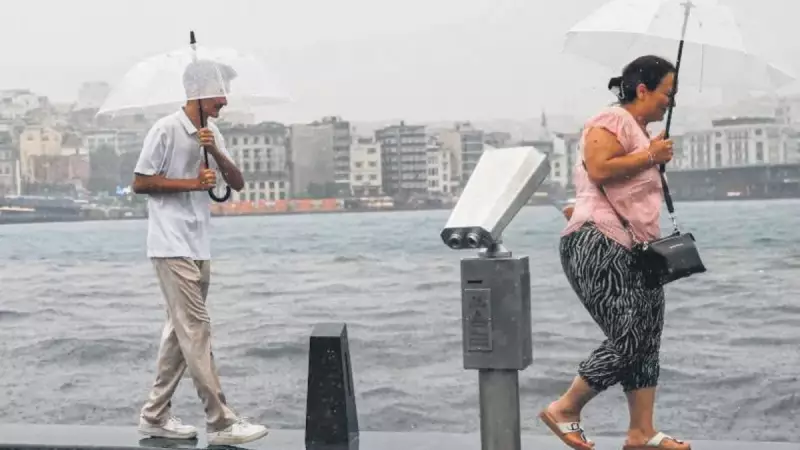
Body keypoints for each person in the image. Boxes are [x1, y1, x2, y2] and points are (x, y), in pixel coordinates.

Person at [539, 55, 691, 450]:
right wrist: (651, 157)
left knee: (648, 338)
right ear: (643, 90)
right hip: (598, 241)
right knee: (628, 338)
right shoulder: (612, 120)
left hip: (638, 250)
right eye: (667, 93)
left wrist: (650, 153)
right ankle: (566, 408)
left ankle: (641, 432)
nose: (669, 102)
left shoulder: (639, 131)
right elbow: (600, 167)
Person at [132, 59, 268, 446]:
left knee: (181, 331)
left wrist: (217, 154)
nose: (225, 99)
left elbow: (237, 183)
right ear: (198, 91)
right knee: (197, 328)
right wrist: (192, 183)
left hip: (198, 244)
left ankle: (154, 415)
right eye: (221, 91)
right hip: (169, 243)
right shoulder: (165, 129)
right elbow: (140, 182)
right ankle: (221, 421)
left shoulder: (212, 131)